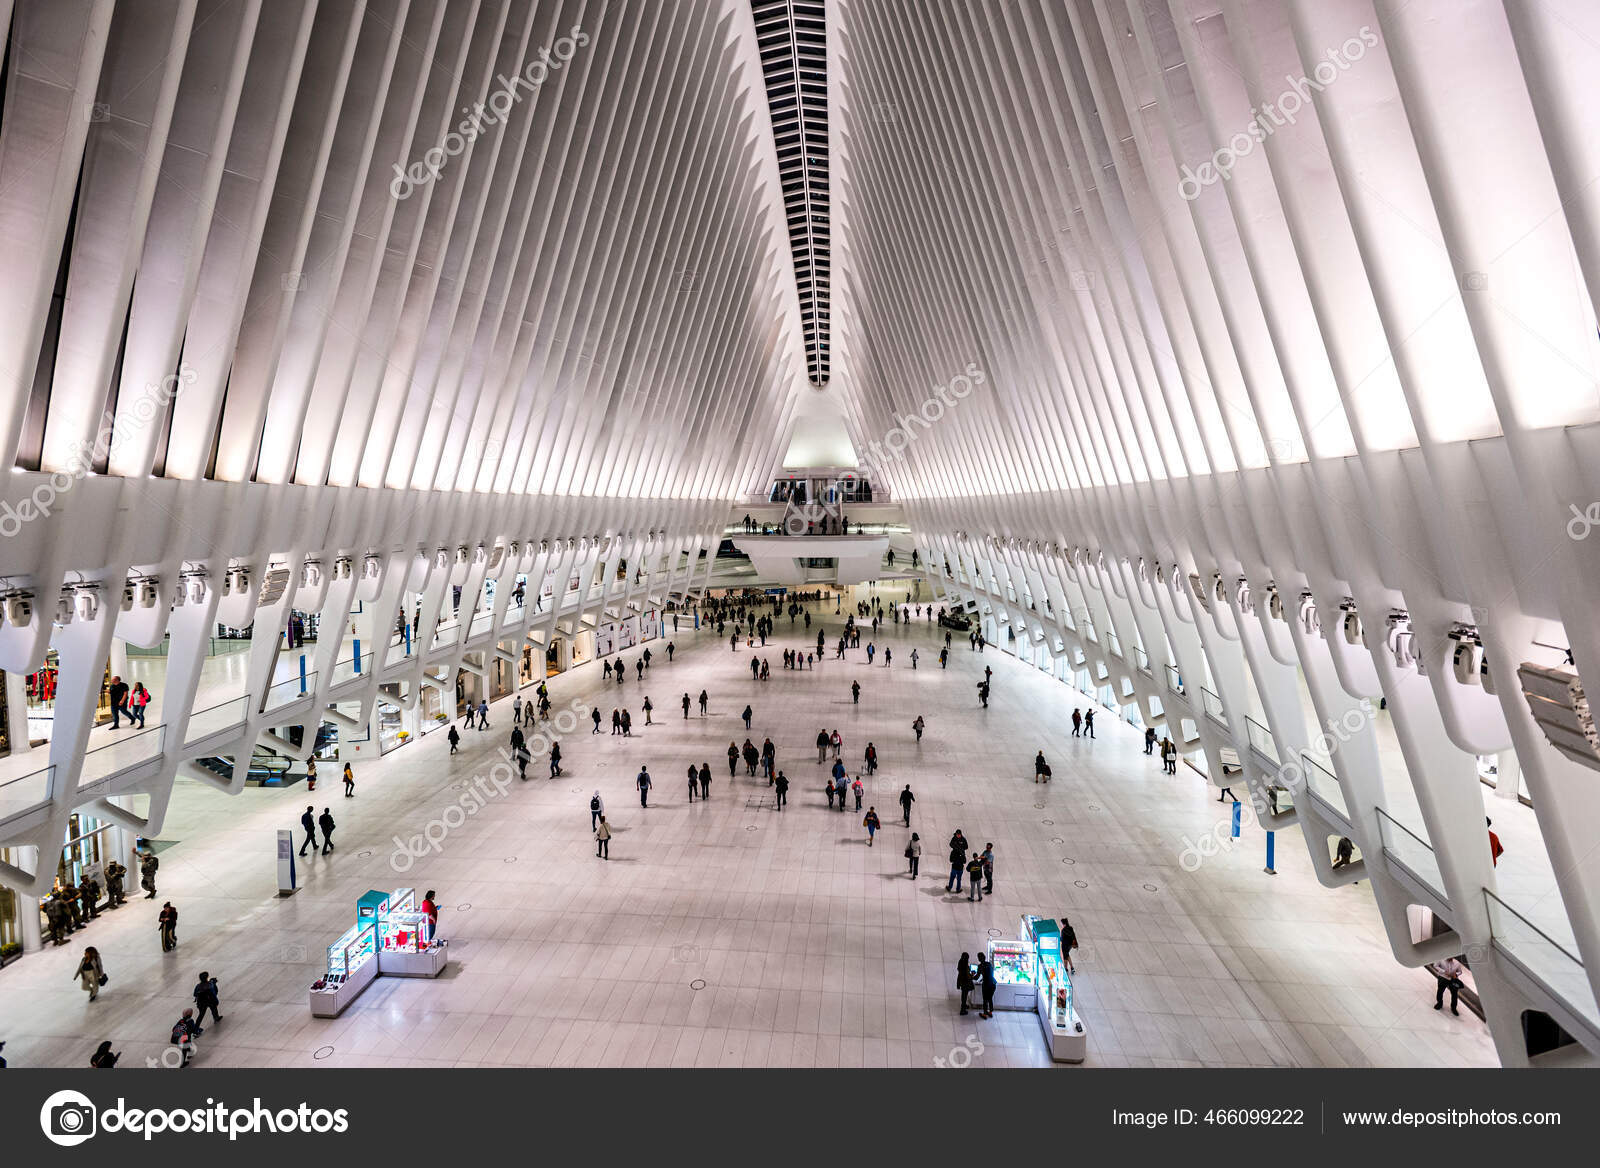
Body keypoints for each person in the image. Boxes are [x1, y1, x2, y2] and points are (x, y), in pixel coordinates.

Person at [978, 953, 996, 1019]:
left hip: (986, 985)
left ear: (979, 959)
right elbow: (990, 974)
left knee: (985, 999)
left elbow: (977, 977)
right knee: (990, 998)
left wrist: (971, 976)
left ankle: (985, 1014)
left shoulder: (980, 966)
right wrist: (984, 978)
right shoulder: (989, 964)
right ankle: (990, 1012)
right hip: (993, 984)